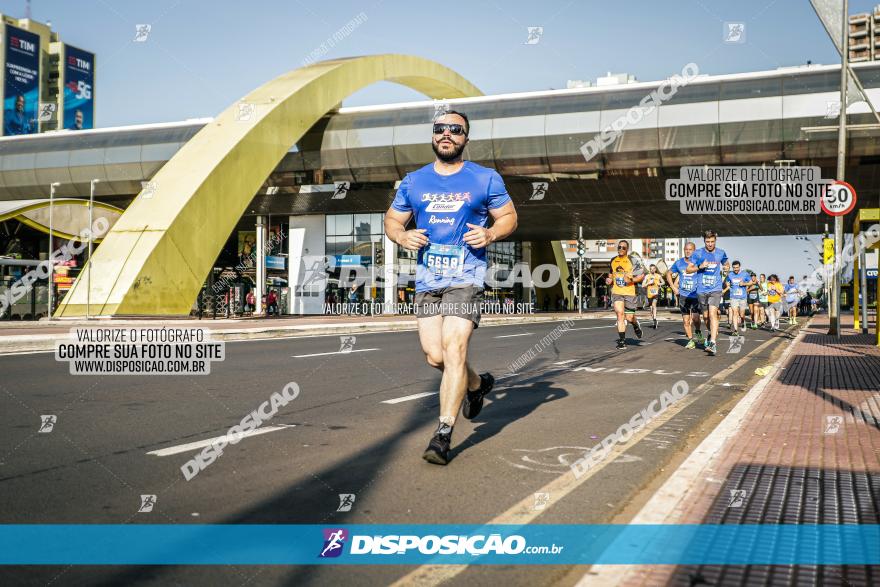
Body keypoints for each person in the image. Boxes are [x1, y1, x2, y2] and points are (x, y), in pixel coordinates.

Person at [383, 110, 518, 466]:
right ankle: (476, 385)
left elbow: (509, 217)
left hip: (466, 276)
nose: (447, 134)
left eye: (455, 130)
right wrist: (402, 234)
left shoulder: (485, 178)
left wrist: (490, 233)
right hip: (429, 279)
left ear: (465, 139)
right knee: (436, 355)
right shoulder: (414, 181)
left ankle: (443, 433)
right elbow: (393, 220)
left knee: (454, 347)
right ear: (432, 136)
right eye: (440, 129)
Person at [686, 230, 729, 355]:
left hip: (715, 289)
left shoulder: (721, 253)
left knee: (712, 314)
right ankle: (711, 333)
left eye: (712, 241)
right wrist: (700, 267)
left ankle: (713, 343)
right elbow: (688, 269)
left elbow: (726, 263)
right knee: (705, 316)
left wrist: (727, 267)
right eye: (707, 241)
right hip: (702, 290)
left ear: (715, 240)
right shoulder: (698, 253)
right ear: (704, 241)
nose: (710, 244)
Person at [606, 240, 645, 350]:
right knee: (620, 314)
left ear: (627, 249)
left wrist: (630, 280)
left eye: (623, 247)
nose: (621, 249)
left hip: (629, 293)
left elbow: (641, 275)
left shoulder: (632, 260)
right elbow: (611, 275)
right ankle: (622, 341)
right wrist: (609, 280)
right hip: (617, 292)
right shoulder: (613, 260)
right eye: (619, 247)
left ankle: (635, 324)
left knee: (629, 317)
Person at [668, 242, 703, 349]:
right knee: (686, 320)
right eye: (686, 249)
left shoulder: (699, 262)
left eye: (690, 249)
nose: (688, 251)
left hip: (696, 295)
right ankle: (691, 340)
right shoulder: (679, 263)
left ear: (694, 250)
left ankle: (697, 331)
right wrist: (673, 287)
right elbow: (668, 273)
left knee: (696, 318)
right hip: (684, 295)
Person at [723, 260, 752, 336]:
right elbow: (727, 281)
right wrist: (728, 286)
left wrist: (744, 284)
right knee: (735, 313)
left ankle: (743, 321)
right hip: (733, 297)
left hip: (743, 297)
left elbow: (751, 282)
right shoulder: (730, 274)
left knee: (741, 314)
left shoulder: (745, 274)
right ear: (732, 267)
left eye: (737, 267)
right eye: (734, 268)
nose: (735, 269)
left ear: (740, 267)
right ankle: (735, 330)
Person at [644, 264, 663, 329]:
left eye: (653, 269)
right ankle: (654, 320)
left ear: (655, 269)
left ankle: (655, 319)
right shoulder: (647, 276)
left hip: (656, 293)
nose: (652, 270)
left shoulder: (658, 276)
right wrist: (648, 283)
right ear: (649, 270)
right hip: (649, 293)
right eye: (651, 269)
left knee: (654, 305)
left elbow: (663, 282)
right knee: (651, 308)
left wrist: (659, 283)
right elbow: (643, 285)